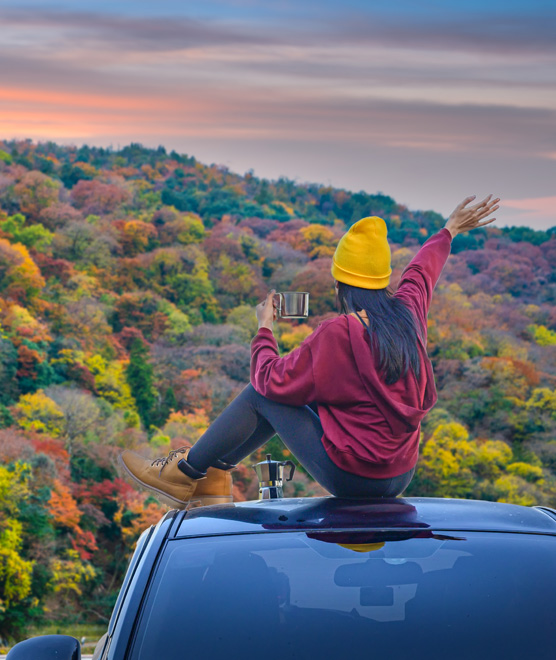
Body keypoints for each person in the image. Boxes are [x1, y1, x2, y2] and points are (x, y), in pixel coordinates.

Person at [119, 194, 499, 507]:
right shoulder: (408, 315)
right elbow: (422, 272)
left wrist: (264, 328)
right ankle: (211, 475)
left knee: (262, 395)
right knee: (299, 394)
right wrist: (448, 230)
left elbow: (268, 381)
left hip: (354, 477)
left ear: (340, 286)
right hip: (399, 474)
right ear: (383, 281)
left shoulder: (338, 333)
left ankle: (185, 475)